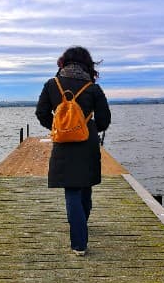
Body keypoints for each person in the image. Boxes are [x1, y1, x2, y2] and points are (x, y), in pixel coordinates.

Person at [35, 46, 112, 256]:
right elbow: (104, 121)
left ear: (63, 63)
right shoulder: (92, 88)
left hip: (63, 145)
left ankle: (79, 243)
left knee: (72, 191)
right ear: (87, 64)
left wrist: (60, 127)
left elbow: (41, 113)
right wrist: (86, 125)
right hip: (87, 144)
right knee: (85, 188)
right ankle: (81, 229)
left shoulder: (52, 85)